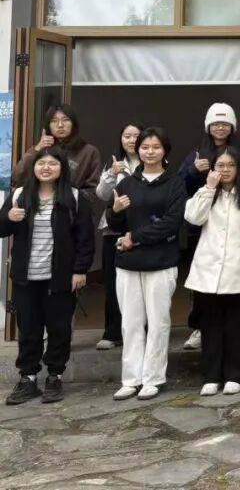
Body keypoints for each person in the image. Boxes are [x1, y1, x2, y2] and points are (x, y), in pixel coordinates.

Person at [2, 148, 94, 405]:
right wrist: (9, 217)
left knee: (59, 329)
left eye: (52, 163)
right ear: (33, 167)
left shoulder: (74, 197)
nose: (46, 167)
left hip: (60, 278)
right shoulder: (20, 195)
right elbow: (1, 228)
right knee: (28, 330)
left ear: (62, 168)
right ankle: (28, 378)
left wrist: (80, 270)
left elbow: (85, 239)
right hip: (25, 277)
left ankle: (55, 376)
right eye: (41, 163)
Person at [106, 127, 187, 401]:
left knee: (158, 322)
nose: (149, 152)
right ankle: (131, 379)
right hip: (128, 264)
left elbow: (172, 222)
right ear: (137, 150)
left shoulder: (175, 182)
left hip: (161, 262)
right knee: (130, 323)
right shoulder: (127, 183)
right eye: (144, 147)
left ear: (165, 151)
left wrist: (135, 238)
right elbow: (114, 222)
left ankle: (153, 378)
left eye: (155, 147)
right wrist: (115, 211)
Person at [184, 146, 240, 397]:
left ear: (239, 168)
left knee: (235, 325)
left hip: (236, 268)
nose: (225, 170)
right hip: (207, 269)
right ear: (212, 169)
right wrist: (208, 188)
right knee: (210, 326)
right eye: (220, 165)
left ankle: (235, 375)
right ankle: (211, 376)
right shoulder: (205, 192)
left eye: (230, 165)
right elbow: (193, 217)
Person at [179, 103, 240, 351]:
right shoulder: (198, 153)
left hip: (235, 219)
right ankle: (198, 327)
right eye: (215, 123)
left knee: (233, 283)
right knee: (203, 283)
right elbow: (181, 184)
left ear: (232, 127)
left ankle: (230, 332)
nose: (220, 127)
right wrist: (194, 171)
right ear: (208, 126)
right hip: (204, 222)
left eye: (225, 123)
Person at [94, 122, 143, 351]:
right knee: (113, 282)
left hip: (141, 228)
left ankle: (140, 330)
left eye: (136, 136)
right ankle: (112, 332)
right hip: (114, 228)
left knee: (140, 283)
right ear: (121, 139)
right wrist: (112, 174)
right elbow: (102, 194)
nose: (131, 140)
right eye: (127, 136)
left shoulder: (153, 161)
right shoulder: (114, 163)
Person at [13, 103, 102, 206]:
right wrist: (37, 149)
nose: (60, 125)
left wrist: (69, 198)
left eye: (65, 120)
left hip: (72, 209)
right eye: (54, 121)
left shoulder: (88, 152)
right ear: (48, 126)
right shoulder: (42, 149)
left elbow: (93, 190)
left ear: (73, 124)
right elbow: (17, 178)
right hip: (39, 207)